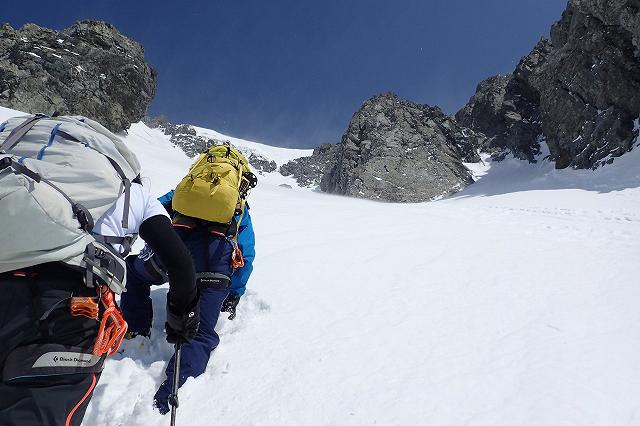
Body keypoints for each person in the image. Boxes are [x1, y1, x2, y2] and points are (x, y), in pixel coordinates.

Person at [0, 181, 200, 426]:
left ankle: (138, 329)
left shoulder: (20, 160)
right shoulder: (132, 193)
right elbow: (179, 262)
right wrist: (182, 317)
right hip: (69, 308)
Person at [121, 187, 255, 414]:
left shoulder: (187, 190)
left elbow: (151, 210)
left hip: (172, 253)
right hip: (215, 264)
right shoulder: (237, 204)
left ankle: (136, 330)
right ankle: (166, 402)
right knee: (199, 331)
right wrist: (234, 292)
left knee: (133, 274)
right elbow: (246, 250)